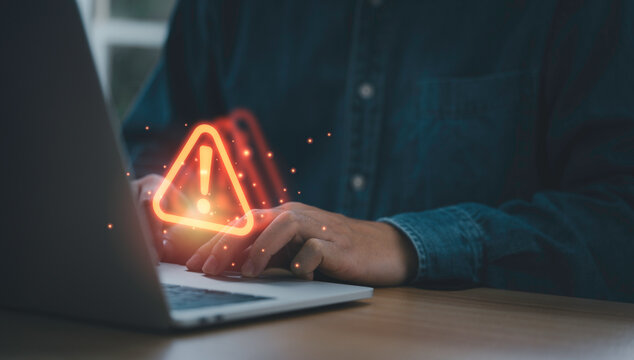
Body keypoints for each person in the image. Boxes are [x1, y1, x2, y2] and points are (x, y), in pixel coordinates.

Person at [123, 1, 634, 302]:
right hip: (240, 328)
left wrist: (404, 245)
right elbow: (158, 147)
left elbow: (618, 215)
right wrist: (150, 198)